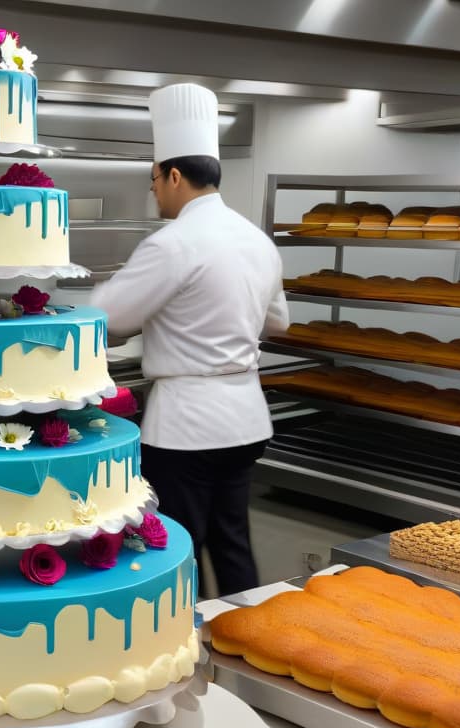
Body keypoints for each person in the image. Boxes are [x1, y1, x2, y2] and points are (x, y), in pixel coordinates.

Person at [89, 83, 289, 596]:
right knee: (231, 542)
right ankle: (244, 631)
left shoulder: (173, 242)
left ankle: (184, 645)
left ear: (175, 174)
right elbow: (278, 322)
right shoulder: (255, 239)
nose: (154, 190)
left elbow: (107, 318)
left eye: (155, 178)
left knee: (178, 543)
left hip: (187, 426)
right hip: (245, 416)